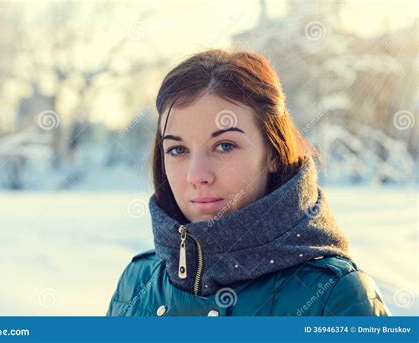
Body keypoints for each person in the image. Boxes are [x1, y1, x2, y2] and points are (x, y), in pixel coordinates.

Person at [107, 49, 390, 316]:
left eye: (225, 146)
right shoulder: (137, 282)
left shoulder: (334, 297)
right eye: (178, 150)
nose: (197, 175)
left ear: (273, 154)